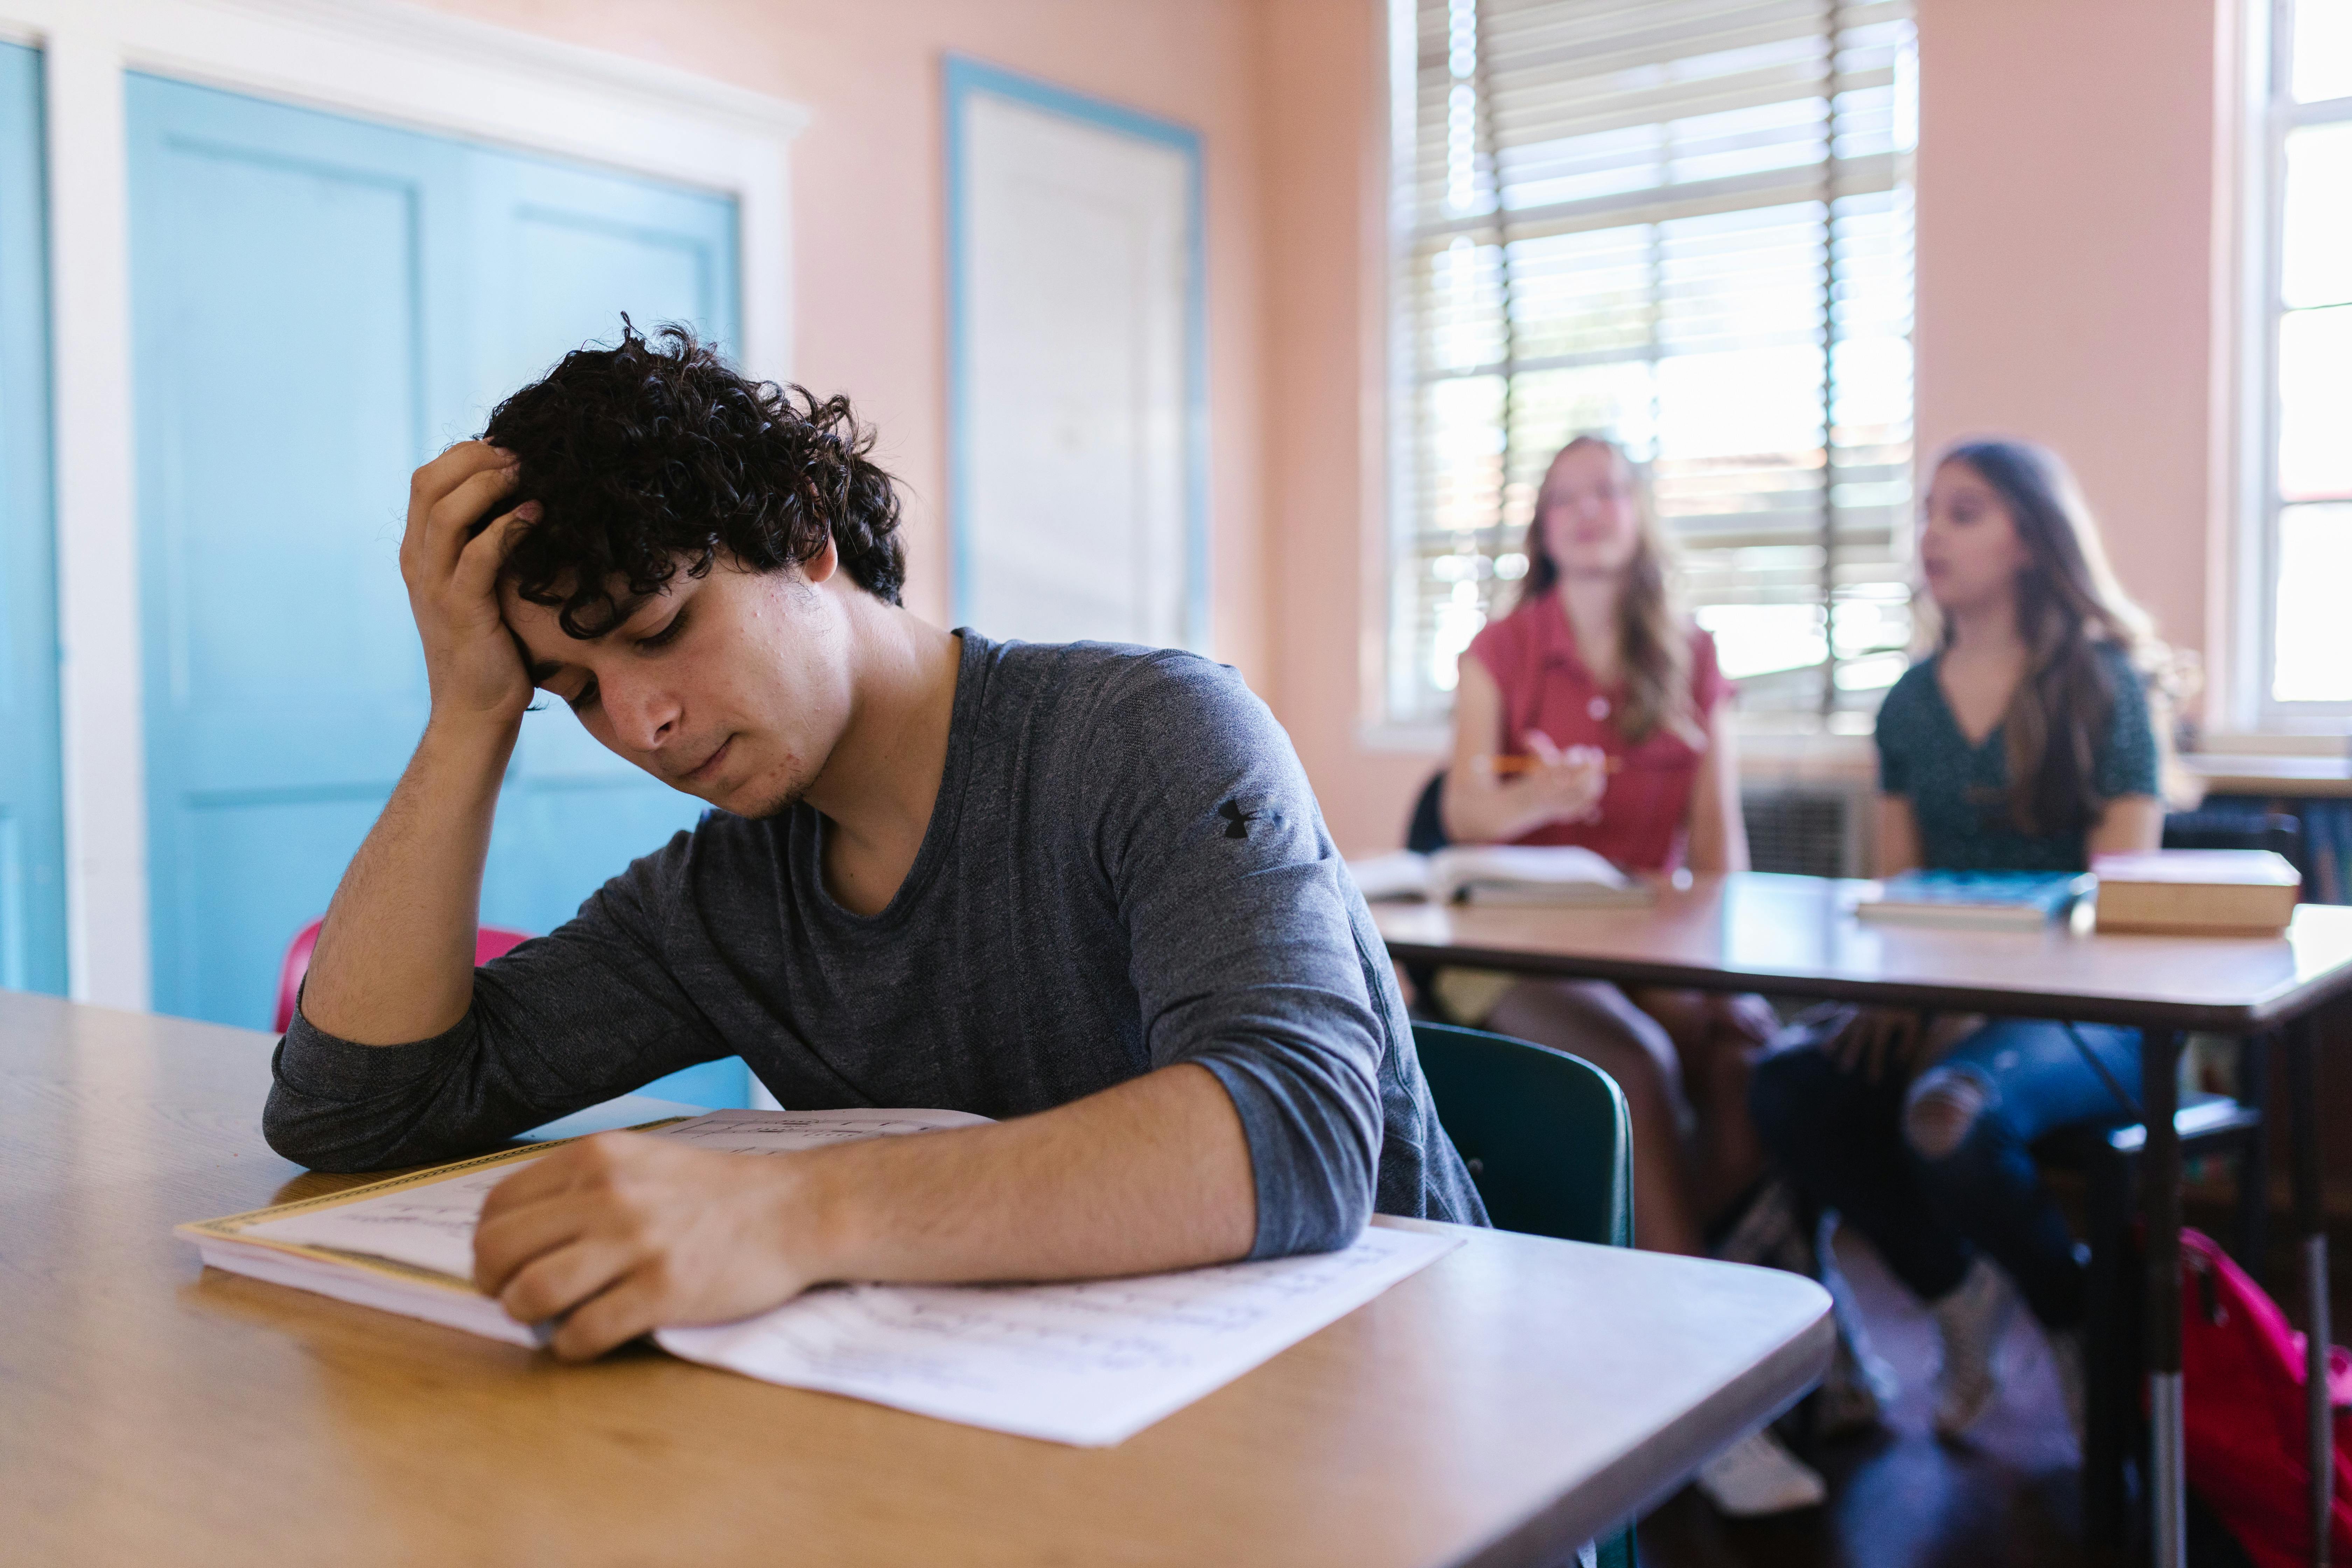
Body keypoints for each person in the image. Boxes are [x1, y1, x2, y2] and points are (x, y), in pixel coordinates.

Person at [266, 322, 1485, 1361]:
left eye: (660, 627)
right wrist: (471, 713)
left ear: (805, 534)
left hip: (1403, 1430)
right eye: (573, 690)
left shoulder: (1151, 736)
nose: (639, 721)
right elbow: (353, 1113)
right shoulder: (722, 901)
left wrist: (789, 1214)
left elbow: (1300, 1135)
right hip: (1060, 1445)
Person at [1749, 438, 2173, 1443]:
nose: (1931, 534)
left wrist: (1958, 1003)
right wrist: (1906, 997)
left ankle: (2070, 1316)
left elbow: (2121, 904)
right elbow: (1900, 899)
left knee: (1946, 1116)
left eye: (1965, 512)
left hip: (2090, 1015)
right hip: (1940, 1003)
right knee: (1787, 1083)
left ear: (2030, 538)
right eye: (1929, 511)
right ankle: (1955, 1293)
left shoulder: (2107, 688)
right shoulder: (1908, 704)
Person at [1438, 434, 1815, 1515]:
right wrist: (1537, 801)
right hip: (1515, 953)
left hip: (1653, 944)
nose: (1588, 512)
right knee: (1640, 1067)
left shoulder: (1693, 656)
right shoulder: (1500, 651)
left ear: (1642, 513)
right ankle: (1698, 1393)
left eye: (1607, 492)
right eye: (1564, 500)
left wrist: (1729, 976)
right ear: (1542, 532)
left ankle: (1632, 1306)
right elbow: (1467, 813)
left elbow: (1721, 848)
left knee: (1753, 1057)